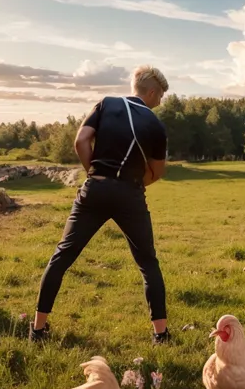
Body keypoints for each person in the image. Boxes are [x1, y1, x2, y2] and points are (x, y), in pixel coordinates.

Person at [32, 65, 172, 345]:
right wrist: (129, 184)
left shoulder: (106, 104)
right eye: (161, 96)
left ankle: (38, 329)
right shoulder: (156, 126)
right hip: (130, 195)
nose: (160, 102)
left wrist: (94, 174)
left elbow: (81, 141)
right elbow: (157, 172)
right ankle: (161, 334)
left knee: (63, 255)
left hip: (94, 189)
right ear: (152, 92)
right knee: (147, 263)